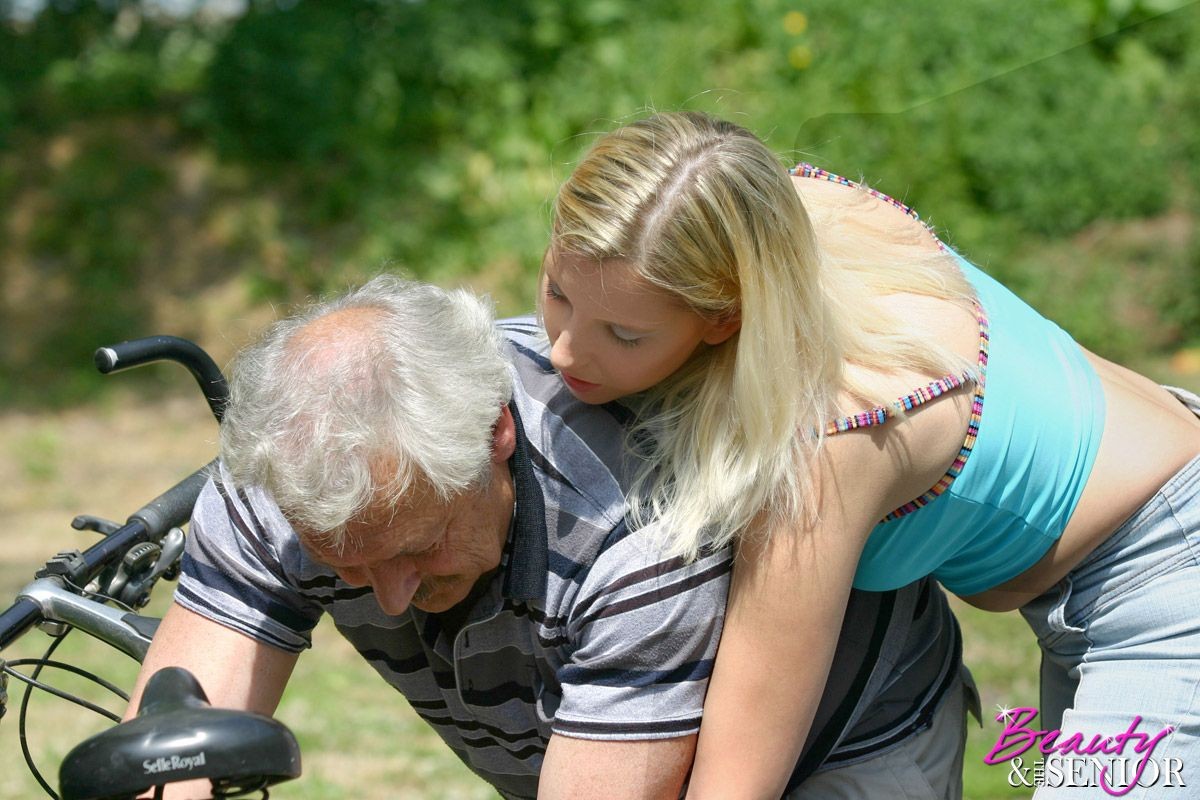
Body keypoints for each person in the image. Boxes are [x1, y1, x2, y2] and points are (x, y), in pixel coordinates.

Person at [539, 110, 1200, 798]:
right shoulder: (773, 212)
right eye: (557, 291)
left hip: (1168, 582)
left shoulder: (821, 444)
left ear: (724, 316)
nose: (564, 350)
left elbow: (736, 783)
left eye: (623, 332)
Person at [128, 274, 971, 799]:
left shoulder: (637, 529)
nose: (389, 597)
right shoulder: (280, 473)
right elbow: (169, 754)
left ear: (497, 436)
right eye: (345, 564)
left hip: (843, 741)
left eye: (419, 547)